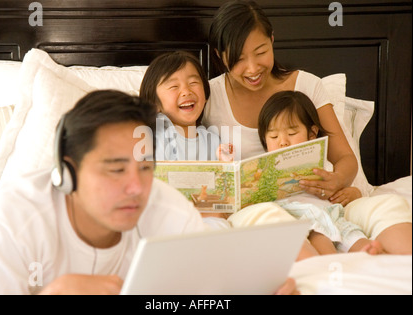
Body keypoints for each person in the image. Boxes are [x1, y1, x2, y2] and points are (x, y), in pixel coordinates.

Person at [0, 90, 297, 295]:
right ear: (68, 172)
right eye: (116, 169)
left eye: (146, 167)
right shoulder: (9, 225)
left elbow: (209, 293)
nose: (137, 188)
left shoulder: (170, 212)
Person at [228, 90, 412, 257]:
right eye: (273, 137)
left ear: (312, 134)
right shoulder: (262, 168)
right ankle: (334, 262)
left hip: (330, 214)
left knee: (352, 235)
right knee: (319, 234)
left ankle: (370, 252)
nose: (282, 142)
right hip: (298, 219)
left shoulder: (321, 163)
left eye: (292, 133)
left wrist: (351, 193)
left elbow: (343, 191)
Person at [204, 0, 357, 198]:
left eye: (261, 52)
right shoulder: (207, 96)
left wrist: (338, 180)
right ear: (220, 56)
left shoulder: (307, 86)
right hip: (245, 212)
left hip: (304, 202)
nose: (252, 69)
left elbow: (345, 158)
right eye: (238, 59)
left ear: (272, 40)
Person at [140, 51, 233, 161]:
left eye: (193, 83)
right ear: (154, 103)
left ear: (206, 95)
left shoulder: (213, 141)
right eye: (174, 86)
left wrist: (226, 164)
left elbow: (223, 176)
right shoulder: (156, 137)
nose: (186, 92)